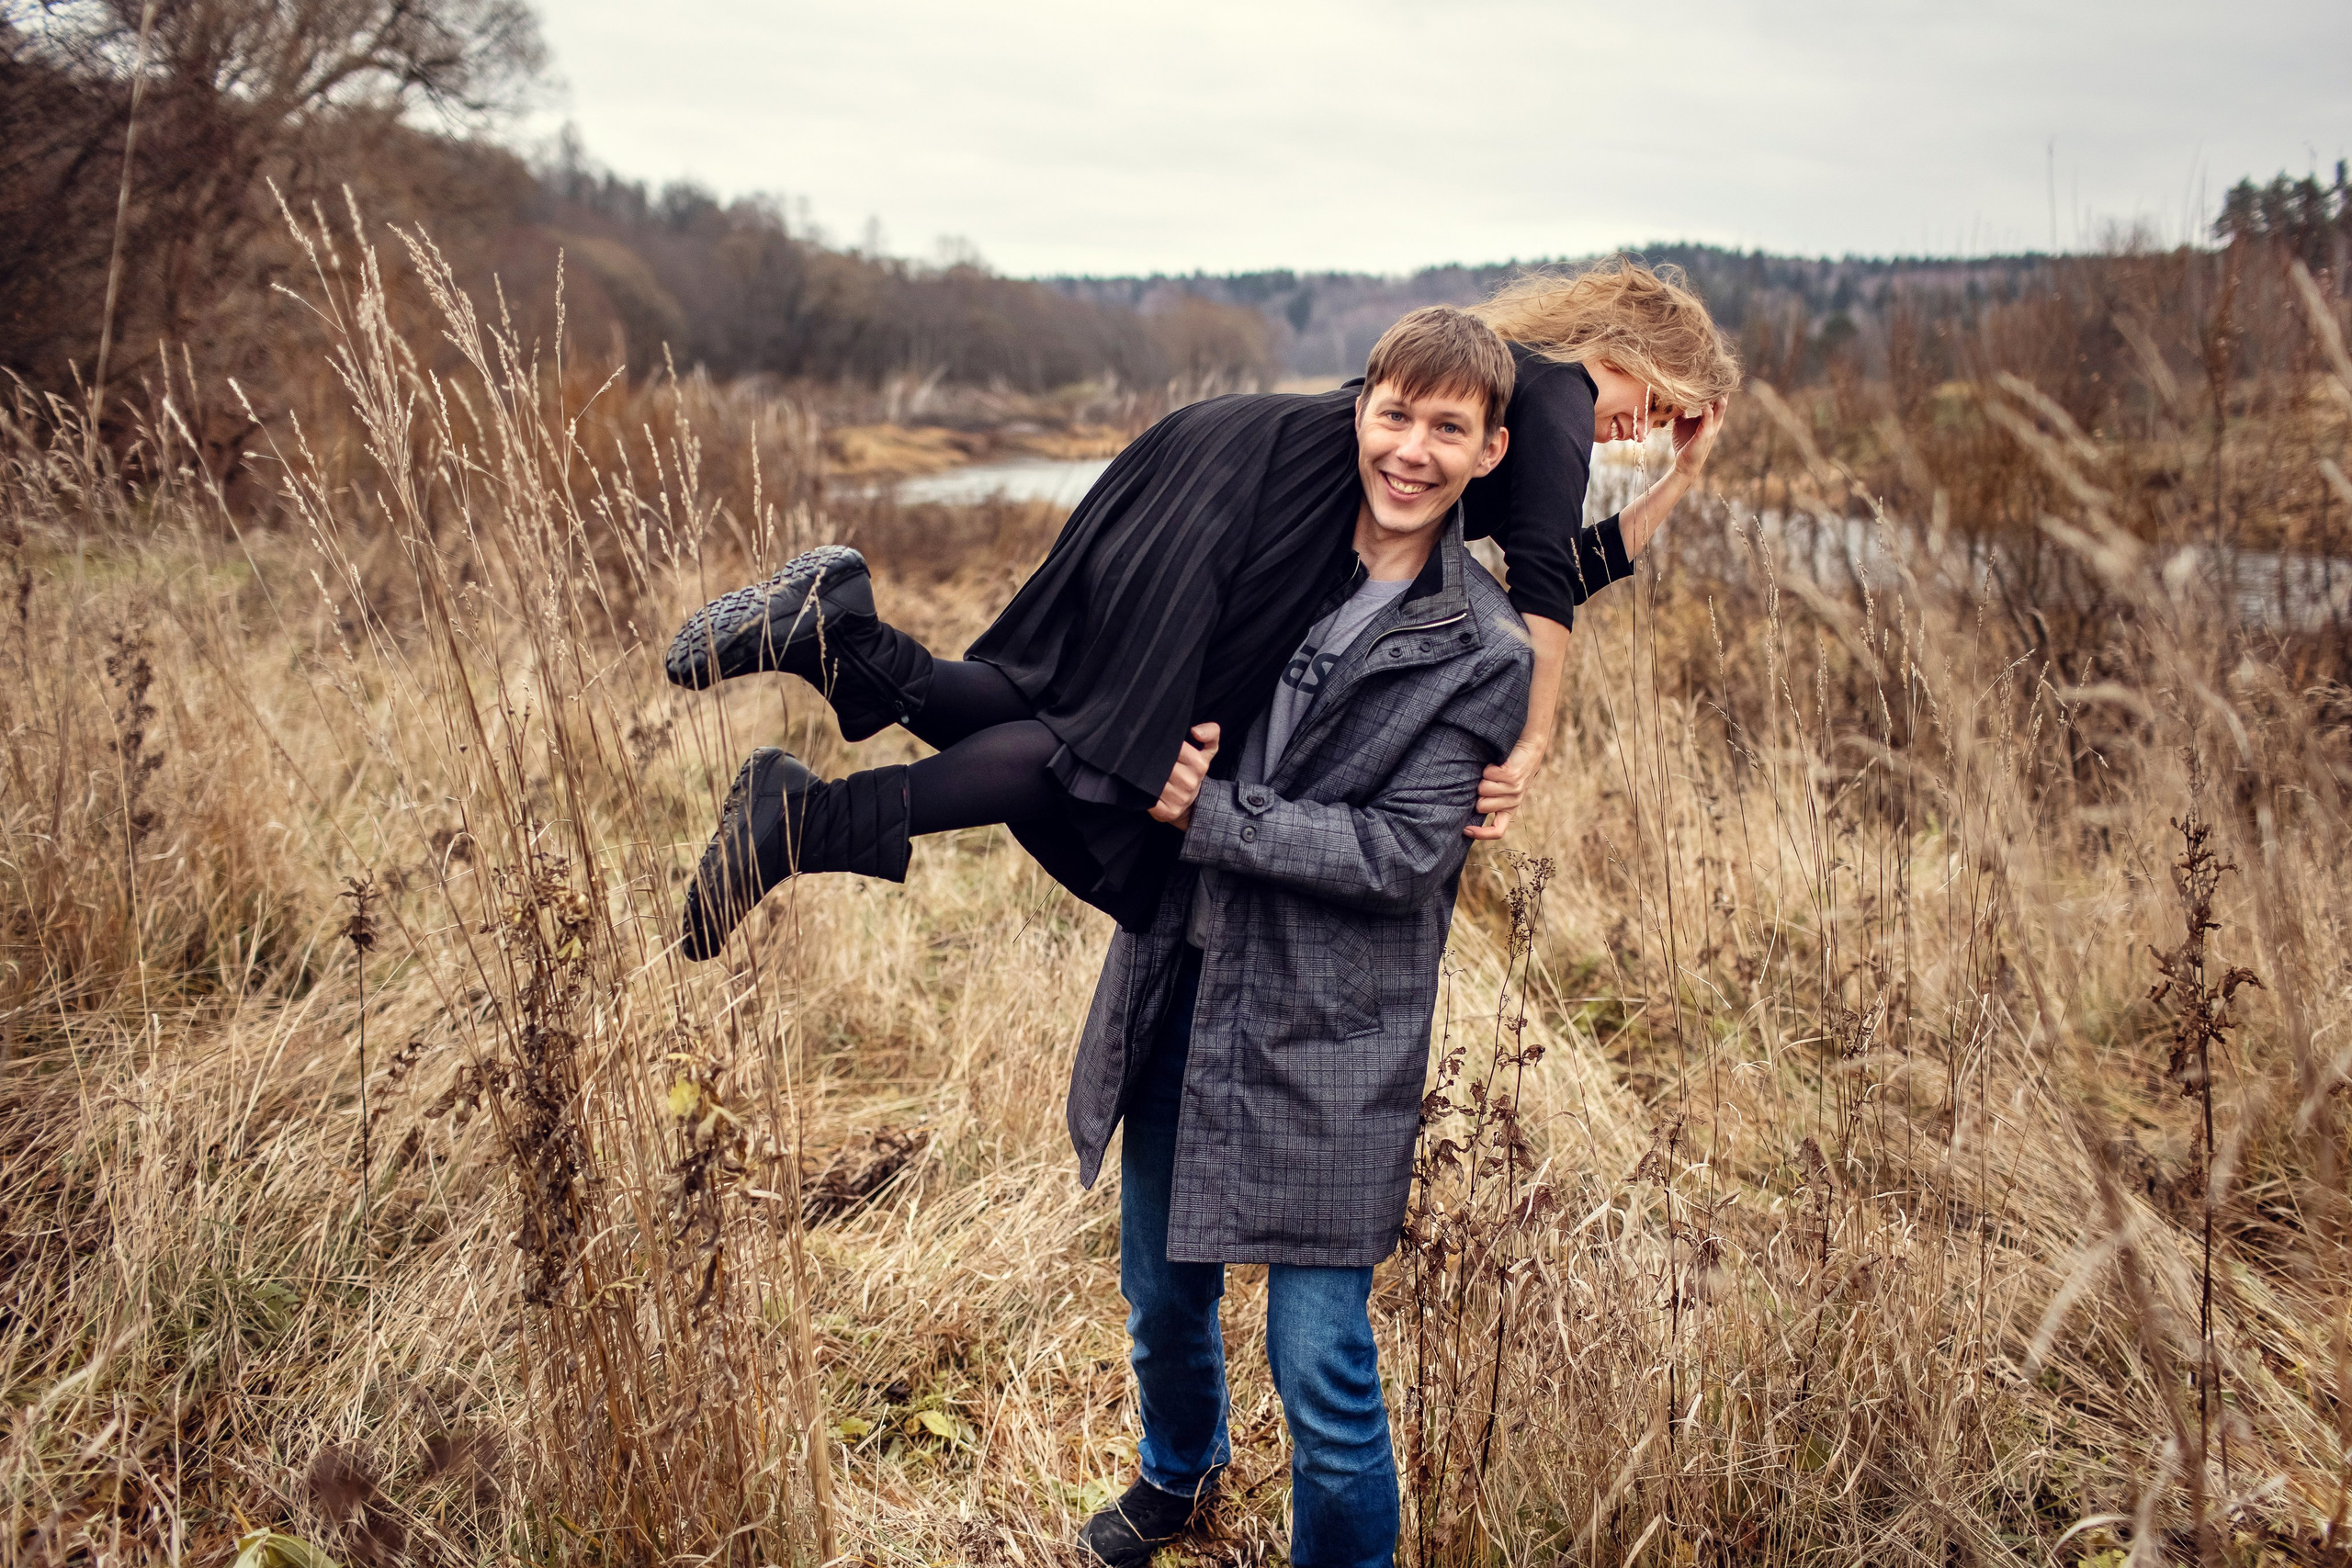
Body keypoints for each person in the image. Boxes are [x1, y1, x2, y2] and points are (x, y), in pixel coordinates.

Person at [672, 260, 1736, 958]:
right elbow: (1541, 579)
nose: (1636, 432)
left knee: (1064, 706)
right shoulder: (1553, 392)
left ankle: (832, 634)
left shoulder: (1515, 388)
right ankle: (807, 820)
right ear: (1632, 354)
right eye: (1656, 407)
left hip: (1217, 458)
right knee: (1121, 757)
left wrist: (1676, 488)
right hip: (1267, 511)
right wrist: (1535, 737)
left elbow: (1549, 568)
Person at [1067, 306, 1530, 1567]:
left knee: (1320, 1362)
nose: (1414, 449)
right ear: (1357, 409)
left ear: (1491, 450)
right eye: (1397, 413)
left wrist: (1208, 812)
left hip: (1330, 1030)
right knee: (1164, 1297)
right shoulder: (1273, 547)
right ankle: (1179, 1473)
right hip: (1183, 977)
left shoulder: (1481, 646)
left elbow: (1399, 854)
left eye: (1451, 426)